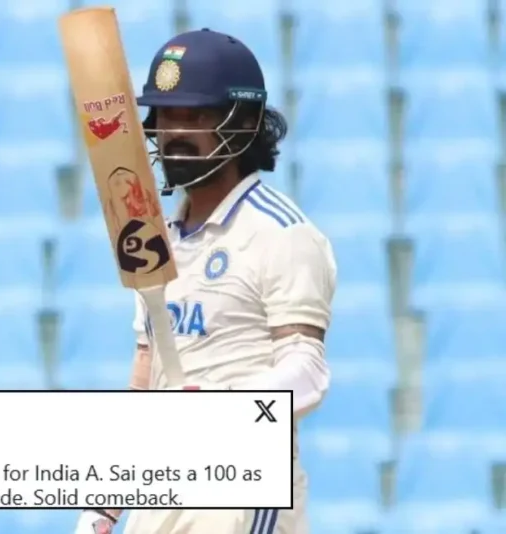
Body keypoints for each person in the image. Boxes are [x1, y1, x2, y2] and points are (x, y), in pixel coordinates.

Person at [73, 29, 336, 534]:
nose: (173, 132)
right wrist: (103, 506)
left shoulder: (282, 233)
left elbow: (307, 371)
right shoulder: (154, 238)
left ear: (243, 122)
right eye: (165, 116)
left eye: (194, 117)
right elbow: (146, 378)